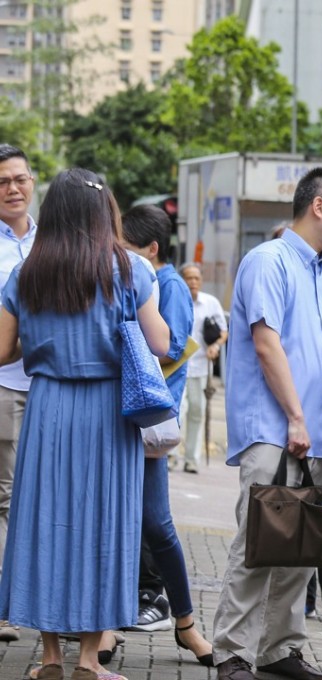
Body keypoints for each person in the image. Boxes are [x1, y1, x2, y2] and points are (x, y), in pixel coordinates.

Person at [0, 168, 170, 680]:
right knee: (105, 527)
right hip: (107, 412)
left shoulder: (26, 274)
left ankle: (49, 656)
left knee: (44, 523)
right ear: (105, 212)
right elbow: (160, 344)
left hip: (48, 405)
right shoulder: (132, 270)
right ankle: (90, 660)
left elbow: (3, 349)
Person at [211, 167, 322, 680]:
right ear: (319, 205)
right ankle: (231, 652)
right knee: (259, 540)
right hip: (278, 429)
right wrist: (296, 416)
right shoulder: (268, 260)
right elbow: (266, 342)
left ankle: (279, 650)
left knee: (302, 544)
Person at [119, 205, 213, 666]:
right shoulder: (146, 278)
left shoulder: (168, 283)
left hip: (148, 420)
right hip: (134, 418)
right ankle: (113, 624)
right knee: (131, 523)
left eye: (127, 244)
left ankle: (185, 621)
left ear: (150, 249)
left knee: (157, 524)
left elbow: (170, 347)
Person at [0, 144, 35, 645]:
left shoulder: (53, 240)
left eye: (20, 179)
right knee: (6, 497)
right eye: (3, 181)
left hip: (52, 388)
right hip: (6, 385)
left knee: (37, 498)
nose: (12, 189)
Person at [178, 262, 227, 473]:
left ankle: (191, 459)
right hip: (178, 366)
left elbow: (224, 331)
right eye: (189, 278)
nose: (193, 282)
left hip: (200, 366)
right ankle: (170, 456)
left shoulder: (211, 303)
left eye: (196, 278)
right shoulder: (177, 300)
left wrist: (215, 346)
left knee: (197, 413)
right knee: (178, 412)